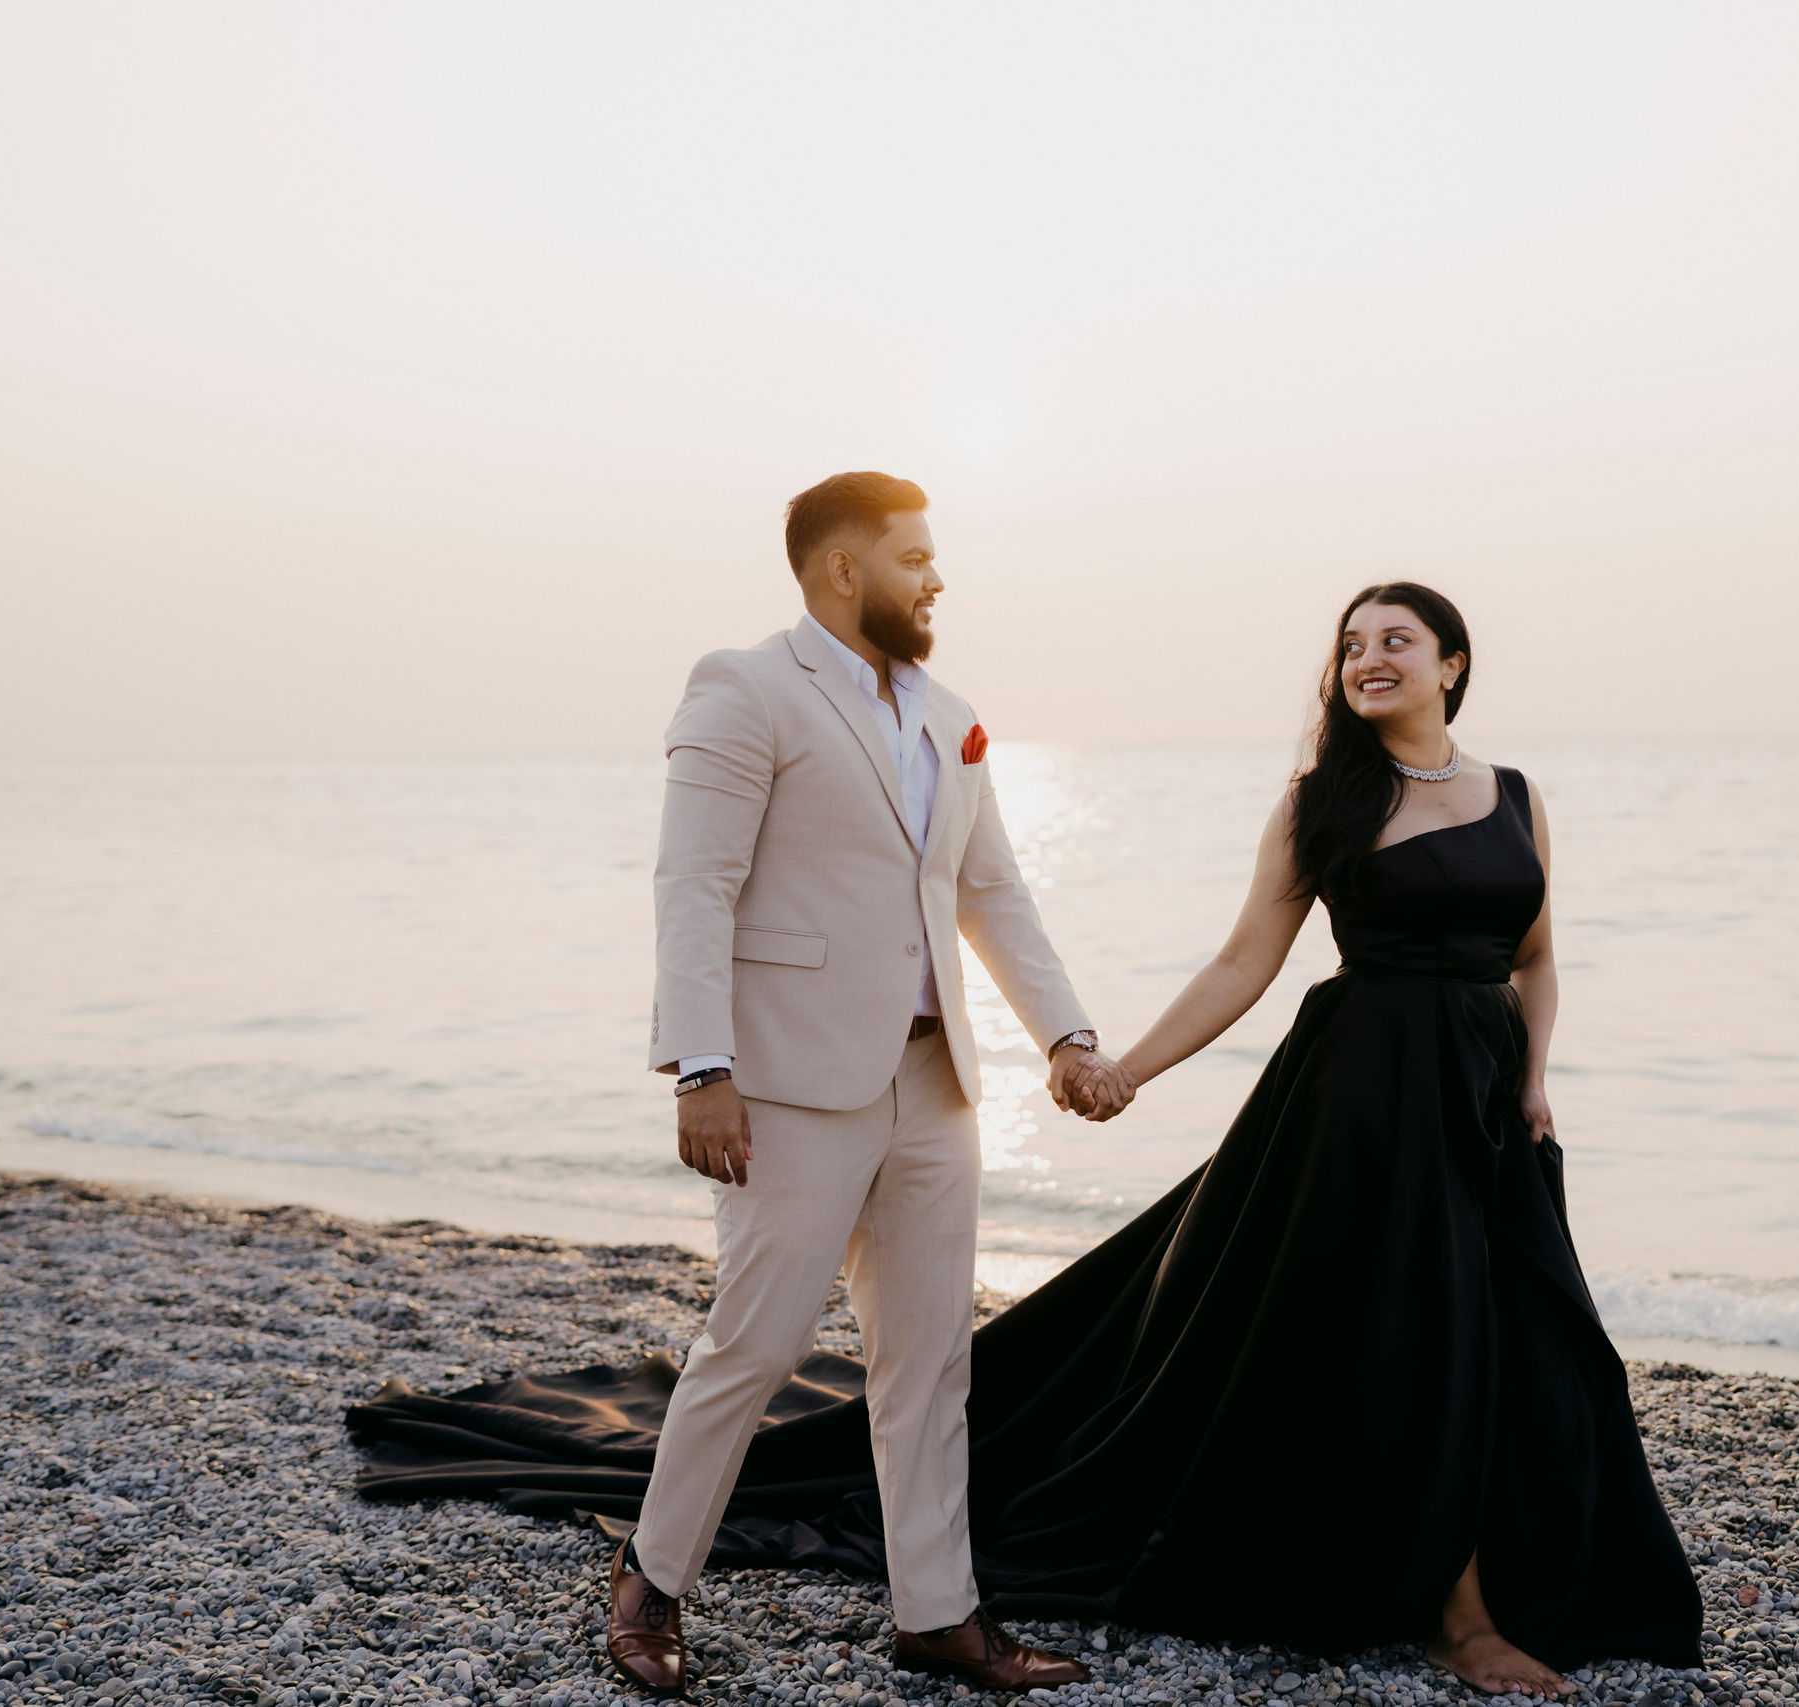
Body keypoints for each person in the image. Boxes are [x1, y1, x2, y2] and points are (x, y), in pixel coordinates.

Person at [997, 582, 1704, 1693]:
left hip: (1480, 1097)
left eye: (1396, 642)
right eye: (1350, 646)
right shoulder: (1320, 801)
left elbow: (1534, 959)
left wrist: (1534, 1078)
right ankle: (1457, 1617)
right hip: (1363, 1095)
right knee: (1422, 1336)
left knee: (1522, 1337)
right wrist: (1126, 1067)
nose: (1368, 659)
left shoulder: (1514, 795)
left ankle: (1493, 1579)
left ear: (1452, 665)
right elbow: (1244, 963)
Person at [612, 471, 1116, 1697]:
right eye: (914, 557)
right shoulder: (743, 687)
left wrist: (1064, 1036)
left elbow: (989, 890)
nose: (936, 578)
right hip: (783, 1083)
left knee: (933, 1358)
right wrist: (703, 1067)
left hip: (934, 1090)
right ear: (844, 569)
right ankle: (650, 1581)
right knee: (758, 1340)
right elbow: (694, 885)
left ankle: (936, 1614)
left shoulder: (947, 712)